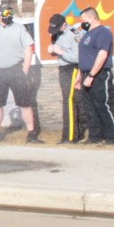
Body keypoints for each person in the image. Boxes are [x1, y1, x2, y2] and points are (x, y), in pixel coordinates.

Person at [0, 5, 42, 143]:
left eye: (10, 13)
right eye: (5, 13)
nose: (8, 16)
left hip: (16, 69)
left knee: (25, 103)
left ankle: (31, 133)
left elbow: (29, 48)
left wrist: (24, 70)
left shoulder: (19, 28)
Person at [75, 6, 114, 145]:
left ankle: (111, 137)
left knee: (100, 105)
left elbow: (102, 54)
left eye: (83, 19)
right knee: (89, 107)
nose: (82, 22)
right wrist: (80, 76)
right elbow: (84, 56)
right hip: (85, 73)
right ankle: (94, 137)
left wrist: (92, 75)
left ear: (92, 18)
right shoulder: (87, 34)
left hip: (98, 74)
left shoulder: (103, 32)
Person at [46, 13, 84, 143]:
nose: (55, 32)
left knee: (69, 102)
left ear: (64, 25)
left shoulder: (73, 35)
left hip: (72, 68)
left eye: (57, 29)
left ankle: (71, 137)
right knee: (67, 101)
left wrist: (60, 52)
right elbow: (57, 51)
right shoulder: (57, 34)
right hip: (62, 69)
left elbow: (78, 57)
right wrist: (52, 51)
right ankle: (68, 135)